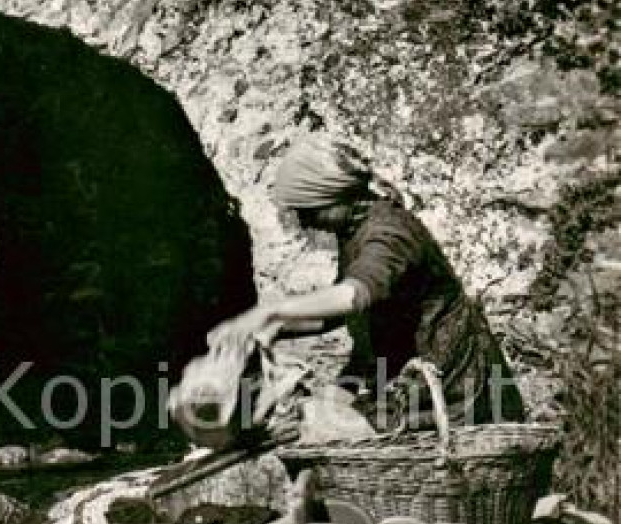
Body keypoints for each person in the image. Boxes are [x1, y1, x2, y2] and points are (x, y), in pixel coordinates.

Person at [207, 134, 524, 429]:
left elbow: (352, 297)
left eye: (309, 210)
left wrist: (271, 312)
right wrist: (279, 328)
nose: (304, 221)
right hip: (406, 378)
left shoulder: (389, 233)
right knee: (314, 419)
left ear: (335, 197)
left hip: (452, 386)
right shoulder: (355, 232)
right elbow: (345, 311)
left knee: (323, 429)